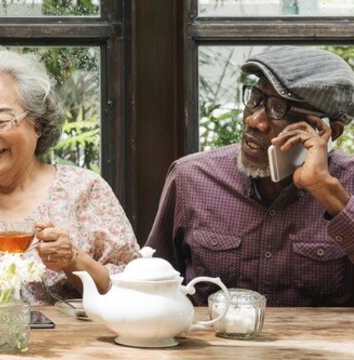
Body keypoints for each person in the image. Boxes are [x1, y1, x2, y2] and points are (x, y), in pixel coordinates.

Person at [147, 46, 354, 307]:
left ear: (329, 130)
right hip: (211, 346)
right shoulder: (191, 177)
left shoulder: (348, 182)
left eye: (279, 109)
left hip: (323, 347)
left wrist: (327, 191)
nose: (255, 120)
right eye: (255, 98)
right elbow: (150, 285)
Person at [0, 49, 140, 305]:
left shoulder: (84, 190)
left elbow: (132, 290)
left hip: (69, 344)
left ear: (37, 122)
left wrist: (73, 260)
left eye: (0, 121)